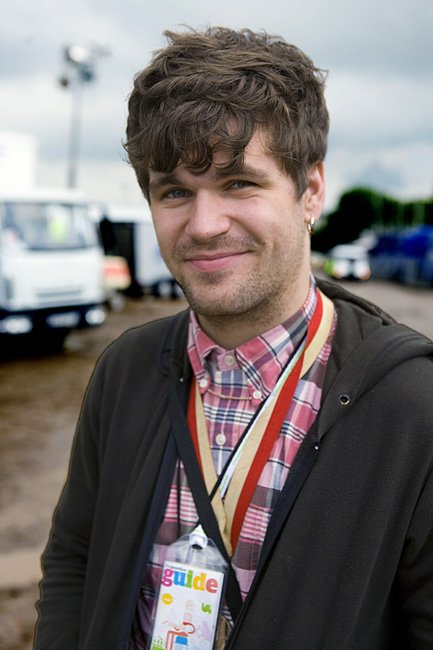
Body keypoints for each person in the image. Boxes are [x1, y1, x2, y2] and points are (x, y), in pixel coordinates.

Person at [34, 27, 433, 650]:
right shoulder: (125, 369)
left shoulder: (413, 405)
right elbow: (74, 562)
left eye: (238, 183)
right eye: (174, 191)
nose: (204, 225)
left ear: (311, 191)